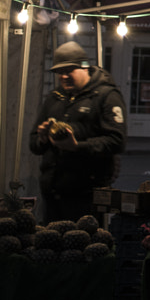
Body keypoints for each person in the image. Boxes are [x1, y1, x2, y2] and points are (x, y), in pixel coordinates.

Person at [31, 41, 127, 222]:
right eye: (60, 72)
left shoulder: (106, 96)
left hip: (86, 196)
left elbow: (117, 141)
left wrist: (77, 146)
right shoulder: (54, 98)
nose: (64, 76)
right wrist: (42, 139)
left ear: (84, 67)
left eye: (69, 71)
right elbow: (33, 143)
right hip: (52, 195)